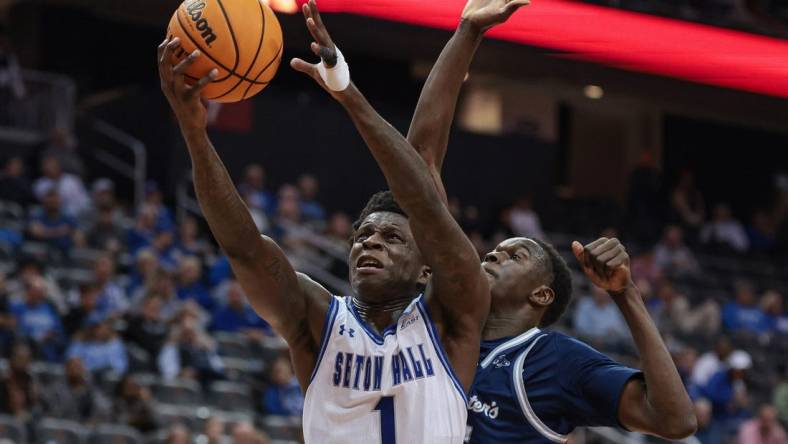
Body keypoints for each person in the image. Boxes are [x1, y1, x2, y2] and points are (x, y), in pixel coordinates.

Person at [309, 0, 694, 439]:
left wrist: (626, 296)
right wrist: (466, 33)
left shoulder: (554, 361)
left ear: (542, 294)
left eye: (516, 254)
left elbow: (674, 420)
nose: (494, 253)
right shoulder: (426, 320)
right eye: (496, 249)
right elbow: (419, 166)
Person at [158, 1, 501, 441]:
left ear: (427, 266)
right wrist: (194, 132)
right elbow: (244, 247)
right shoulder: (318, 318)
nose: (371, 243)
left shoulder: (454, 318)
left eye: (392, 237)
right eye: (364, 235)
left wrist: (465, 34)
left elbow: (423, 174)